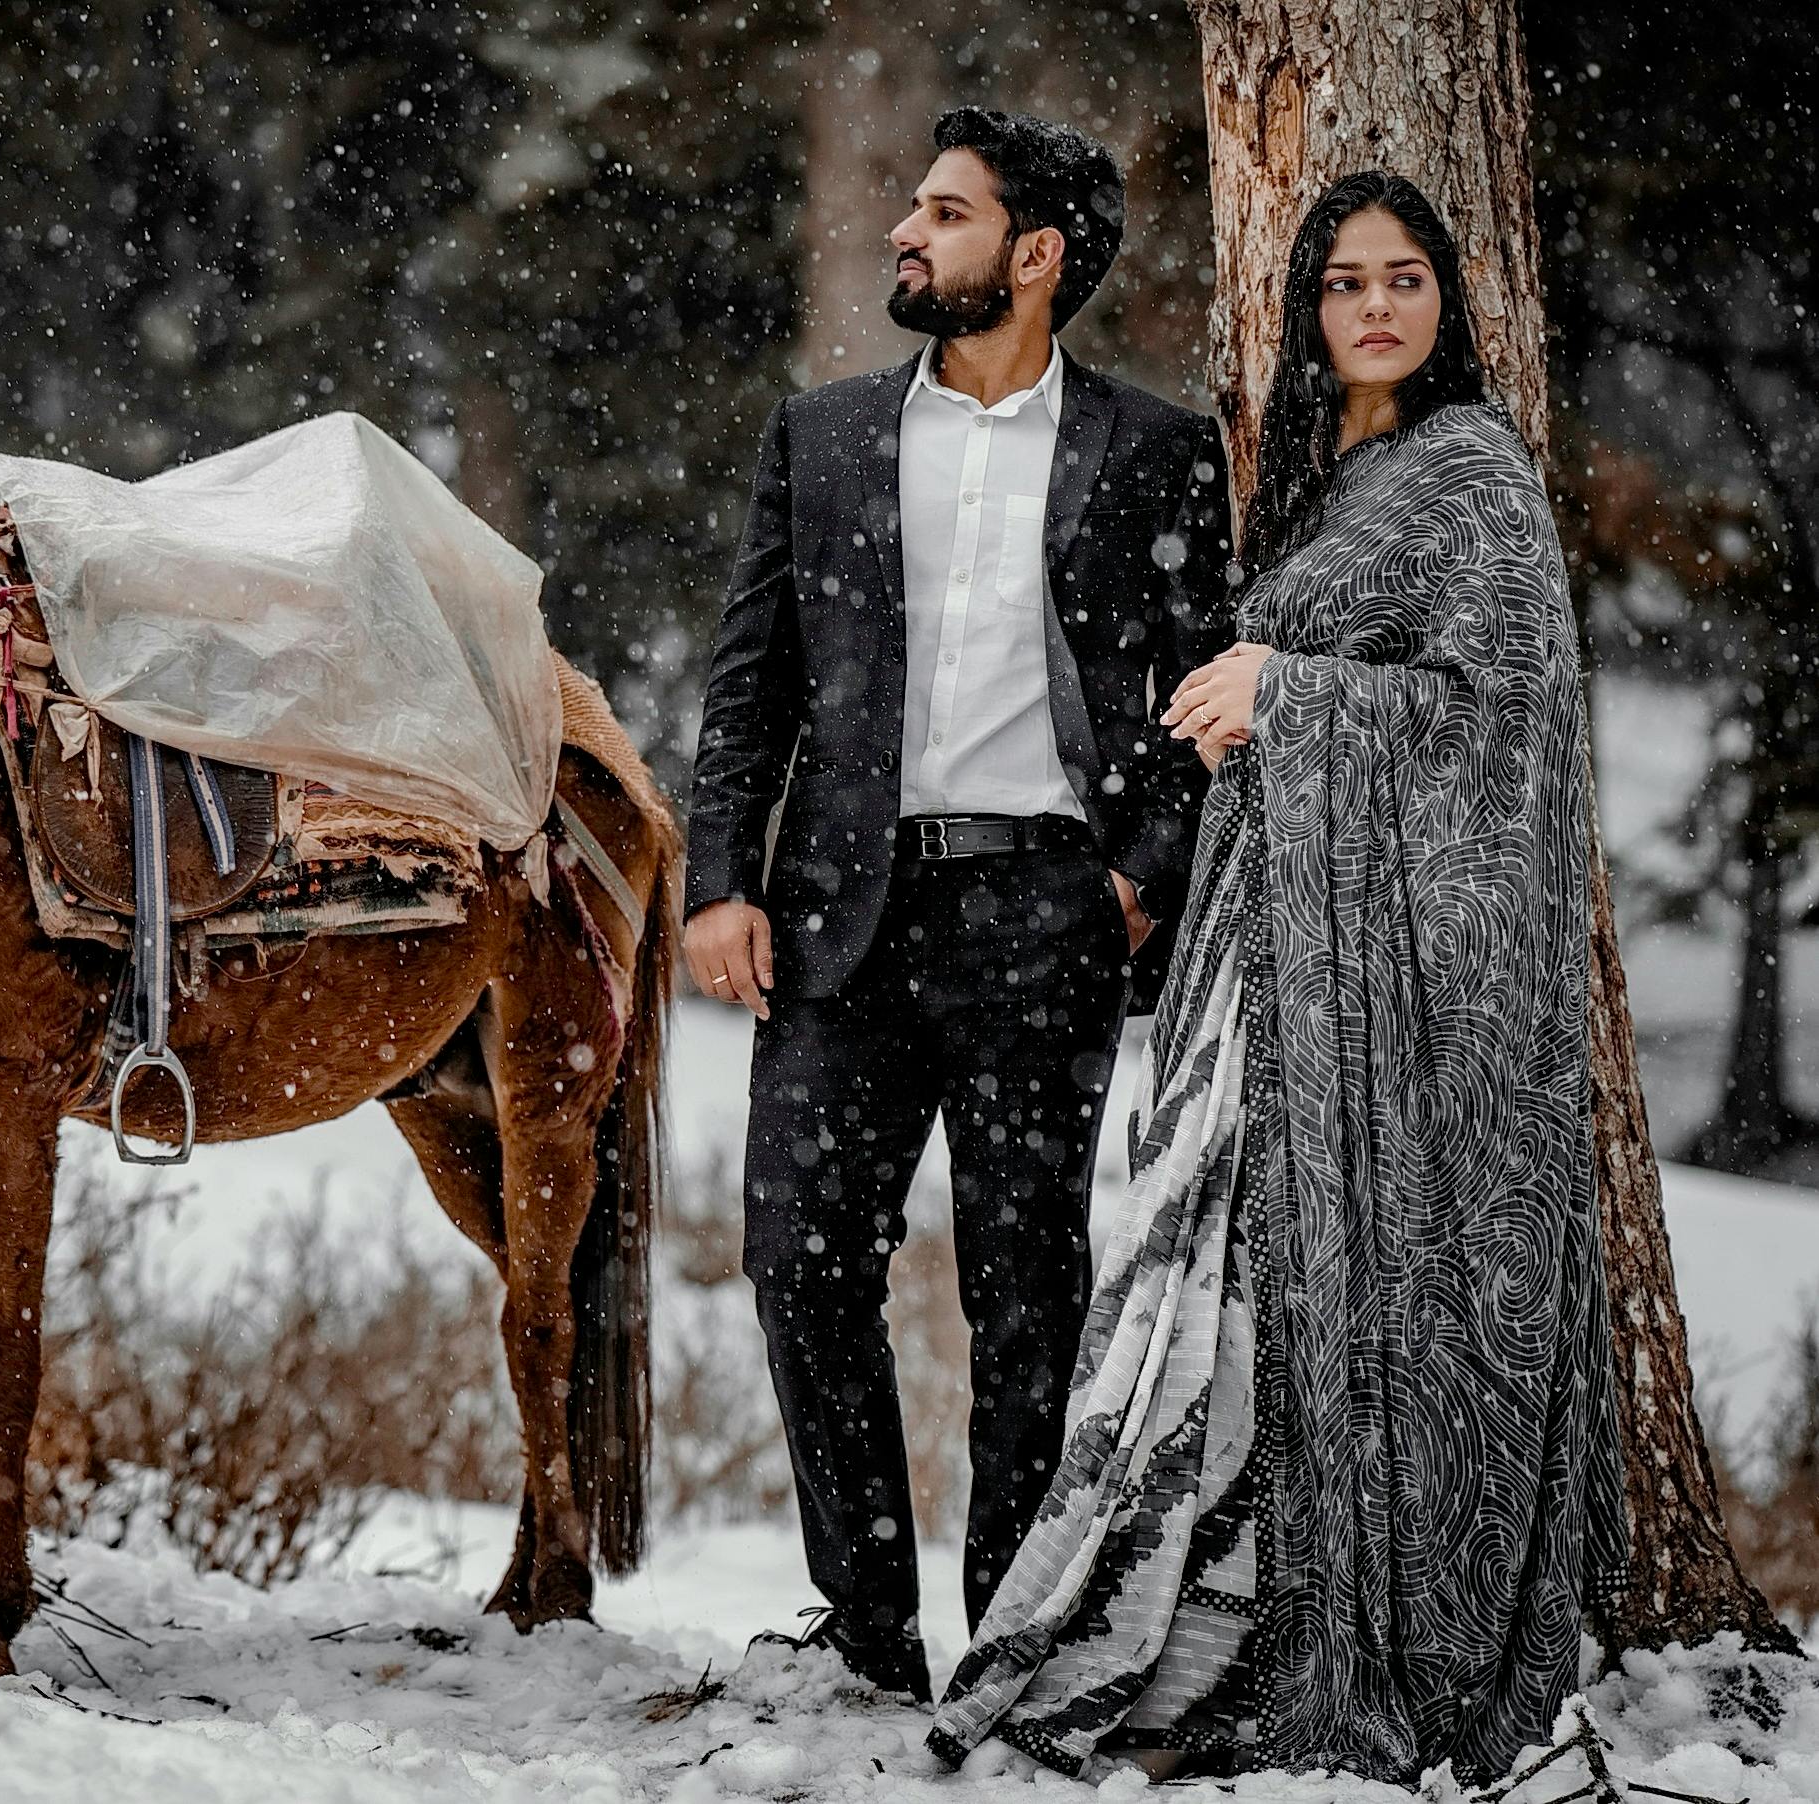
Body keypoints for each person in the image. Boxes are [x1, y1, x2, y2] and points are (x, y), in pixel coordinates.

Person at [923, 170, 1627, 1786]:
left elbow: (1503, 728)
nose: (1375, 307)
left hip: (1403, 986)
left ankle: (1365, 1630)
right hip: (1282, 962)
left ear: (1449, 303)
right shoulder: (1318, 482)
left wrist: (1291, 693)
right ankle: (1217, 1629)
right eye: (1342, 284)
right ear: (1308, 311)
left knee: (1367, 1304)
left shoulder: (1472, 479)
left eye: (1404, 279)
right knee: (1251, 1318)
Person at [682, 106, 1233, 1699]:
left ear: (1036, 255)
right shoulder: (828, 433)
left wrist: (1144, 874)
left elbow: (1198, 689)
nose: (908, 235)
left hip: (1043, 926)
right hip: (838, 924)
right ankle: (865, 1633)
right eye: (915, 209)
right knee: (799, 1260)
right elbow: (752, 681)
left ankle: (1007, 1632)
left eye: (947, 213)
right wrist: (720, 881)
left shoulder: (1153, 447)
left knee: (1027, 1293)